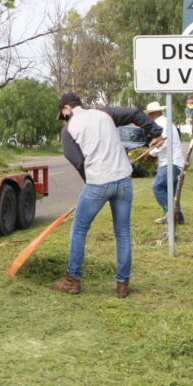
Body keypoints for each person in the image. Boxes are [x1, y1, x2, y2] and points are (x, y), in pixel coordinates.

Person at [53, 92, 164, 298]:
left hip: (98, 183)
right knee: (122, 233)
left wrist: (91, 184)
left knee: (79, 230)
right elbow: (135, 113)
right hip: (123, 181)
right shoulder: (104, 113)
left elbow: (77, 161)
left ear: (66, 108)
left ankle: (72, 280)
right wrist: (154, 132)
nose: (64, 116)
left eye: (63, 112)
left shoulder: (68, 129)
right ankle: (122, 285)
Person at [145, 101, 185, 225]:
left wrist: (149, 153)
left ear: (152, 114)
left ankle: (171, 215)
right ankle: (178, 217)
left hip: (171, 162)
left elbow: (163, 143)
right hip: (175, 162)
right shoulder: (166, 122)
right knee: (172, 193)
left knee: (157, 187)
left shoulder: (160, 124)